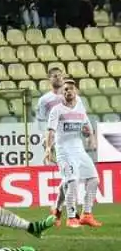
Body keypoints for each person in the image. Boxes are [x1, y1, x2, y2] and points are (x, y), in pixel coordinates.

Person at [45, 80, 102, 228]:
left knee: (93, 179)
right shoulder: (57, 110)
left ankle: (86, 214)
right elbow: (50, 131)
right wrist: (48, 148)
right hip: (64, 151)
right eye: (64, 90)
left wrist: (91, 137)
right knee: (72, 182)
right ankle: (71, 217)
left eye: (70, 89)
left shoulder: (80, 104)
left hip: (79, 150)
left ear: (75, 90)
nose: (67, 92)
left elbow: (85, 121)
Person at [36, 67, 85, 223]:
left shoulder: (74, 97)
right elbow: (42, 122)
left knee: (68, 177)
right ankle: (71, 211)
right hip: (58, 142)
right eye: (54, 76)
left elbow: (81, 116)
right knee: (70, 177)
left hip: (74, 142)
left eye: (60, 75)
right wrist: (47, 142)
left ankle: (57, 208)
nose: (58, 78)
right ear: (49, 79)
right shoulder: (45, 100)